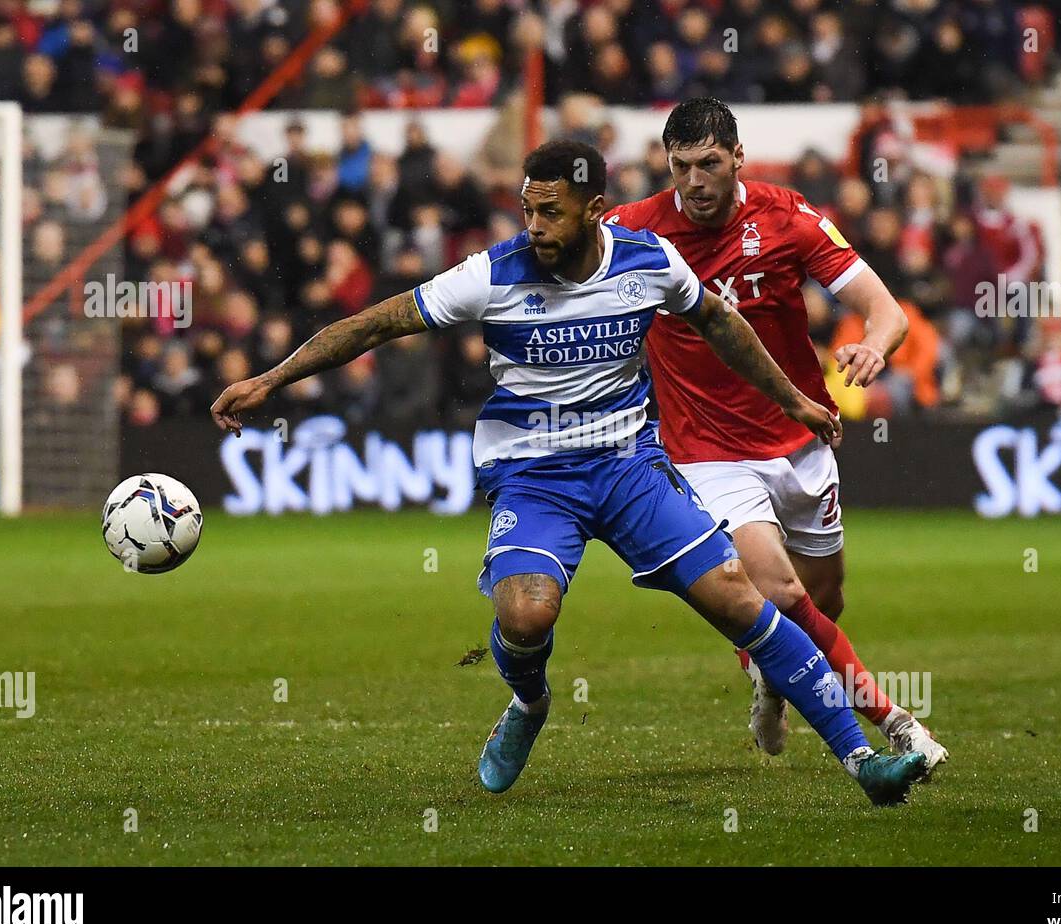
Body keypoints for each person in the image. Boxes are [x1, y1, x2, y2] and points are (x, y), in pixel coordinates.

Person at [212, 140, 928, 805]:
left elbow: (720, 326)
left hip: (629, 469)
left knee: (743, 599)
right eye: (526, 209)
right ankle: (529, 703)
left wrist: (794, 399)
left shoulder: (647, 263)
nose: (533, 225)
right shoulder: (492, 275)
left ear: (592, 209)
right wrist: (270, 381)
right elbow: (373, 324)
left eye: (548, 211)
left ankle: (862, 761)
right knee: (526, 614)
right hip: (534, 477)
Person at [606, 98, 948, 769]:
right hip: (707, 454)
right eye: (681, 167)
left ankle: (769, 680)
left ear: (738, 158)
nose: (695, 181)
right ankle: (895, 722)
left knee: (823, 601)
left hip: (801, 440)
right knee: (780, 595)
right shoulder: (635, 233)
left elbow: (885, 310)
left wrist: (875, 347)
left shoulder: (787, 217)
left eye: (709, 164)